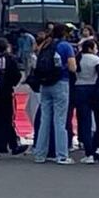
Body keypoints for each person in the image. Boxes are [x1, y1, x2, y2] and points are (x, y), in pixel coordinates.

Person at [31, 23, 77, 164]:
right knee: (60, 120)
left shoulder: (45, 44)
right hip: (61, 82)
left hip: (45, 84)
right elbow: (73, 67)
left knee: (45, 119)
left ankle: (40, 153)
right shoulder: (65, 46)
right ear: (64, 33)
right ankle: (61, 154)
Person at [72, 39, 99, 164]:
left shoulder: (78, 58)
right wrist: (97, 87)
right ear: (91, 48)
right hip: (93, 88)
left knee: (84, 121)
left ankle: (88, 151)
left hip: (80, 87)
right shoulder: (96, 60)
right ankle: (98, 147)